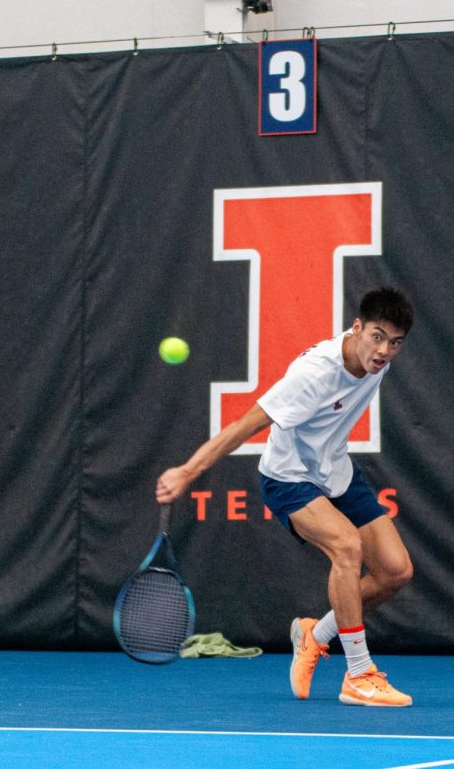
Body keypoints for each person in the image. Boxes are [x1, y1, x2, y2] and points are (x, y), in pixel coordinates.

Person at [155, 287, 415, 707]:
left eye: (395, 342)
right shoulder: (313, 376)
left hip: (336, 470)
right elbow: (243, 425)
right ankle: (359, 674)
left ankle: (316, 634)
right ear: (356, 328)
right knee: (346, 547)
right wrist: (188, 470)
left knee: (395, 571)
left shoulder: (373, 362)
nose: (384, 351)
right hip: (289, 478)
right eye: (377, 336)